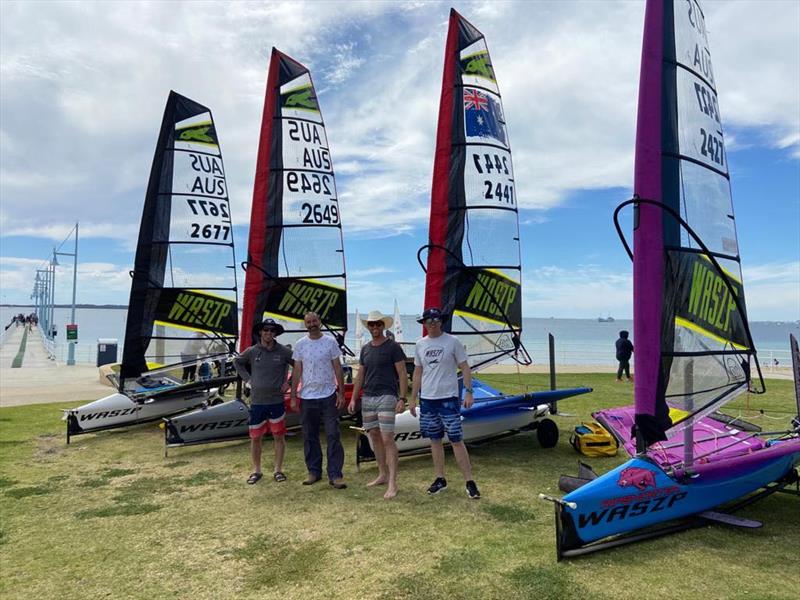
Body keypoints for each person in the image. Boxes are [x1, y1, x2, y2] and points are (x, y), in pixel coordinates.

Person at [410, 307, 480, 499]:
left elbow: (465, 367)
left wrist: (468, 392)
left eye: (435, 320)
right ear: (424, 324)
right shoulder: (420, 344)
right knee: (434, 440)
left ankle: (469, 481)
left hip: (448, 398)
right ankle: (440, 478)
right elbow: (417, 372)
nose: (432, 324)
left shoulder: (453, 341)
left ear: (441, 321)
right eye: (428, 321)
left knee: (456, 440)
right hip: (427, 400)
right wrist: (412, 398)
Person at [347, 310, 407, 499]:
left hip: (387, 396)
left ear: (383, 326)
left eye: (378, 324)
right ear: (368, 327)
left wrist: (402, 398)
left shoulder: (393, 347)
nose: (374, 327)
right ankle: (382, 474)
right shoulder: (365, 349)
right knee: (374, 435)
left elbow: (403, 373)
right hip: (368, 397)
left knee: (388, 438)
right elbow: (360, 376)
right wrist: (353, 398)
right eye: (371, 325)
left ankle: (392, 483)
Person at [290, 312, 347, 489]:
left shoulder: (330, 342)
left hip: (328, 395)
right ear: (305, 324)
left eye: (315, 321)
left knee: (333, 434)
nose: (312, 324)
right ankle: (314, 471)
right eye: (309, 322)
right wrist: (293, 396)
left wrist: (341, 392)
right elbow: (297, 371)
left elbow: (337, 368)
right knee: (309, 436)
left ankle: (335, 474)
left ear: (320, 322)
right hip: (307, 397)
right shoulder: (300, 345)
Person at [234, 319, 293, 484]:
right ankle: (256, 470)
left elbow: (299, 366)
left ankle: (278, 470)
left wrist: (289, 384)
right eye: (265, 330)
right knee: (255, 437)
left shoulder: (283, 351)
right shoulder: (252, 351)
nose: (268, 333)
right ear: (260, 332)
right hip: (257, 402)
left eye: (272, 330)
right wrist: (248, 380)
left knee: (278, 436)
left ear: (275, 333)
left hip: (276, 401)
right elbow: (237, 362)